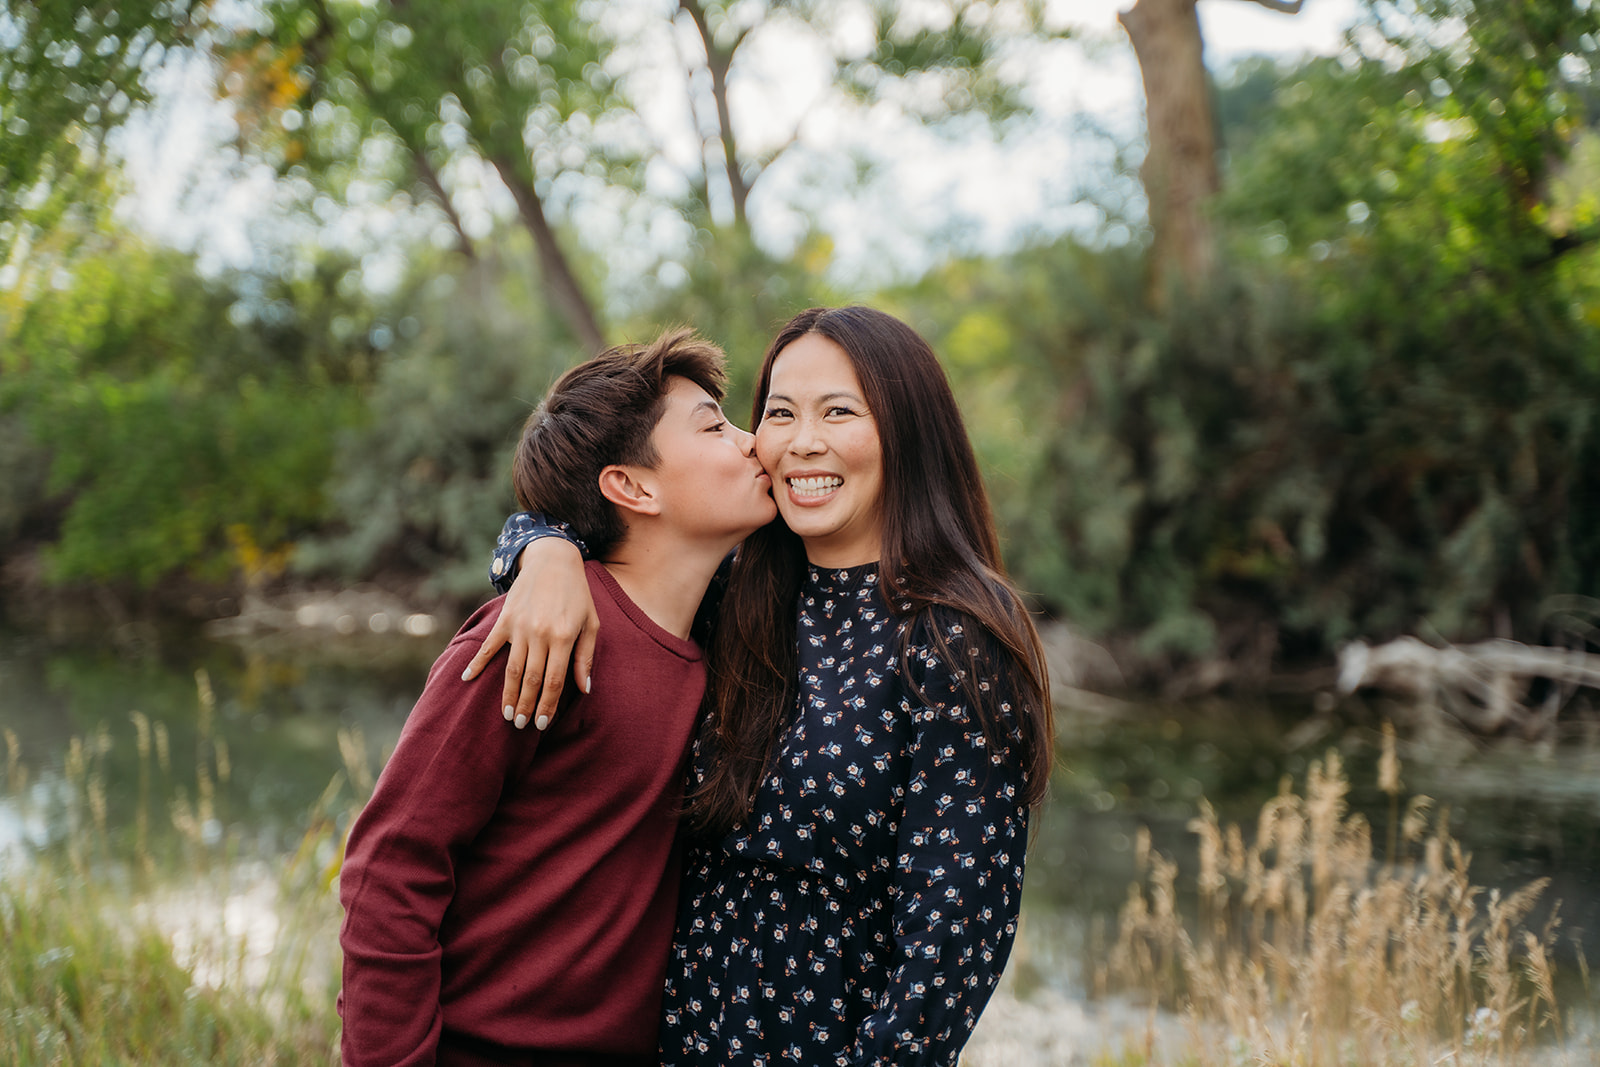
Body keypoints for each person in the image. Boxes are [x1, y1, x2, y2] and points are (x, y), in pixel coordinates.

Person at [467, 306, 1054, 1066]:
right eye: (780, 413)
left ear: (907, 429)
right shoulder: (734, 591)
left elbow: (952, 945)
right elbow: (591, 511)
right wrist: (544, 552)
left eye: (838, 412)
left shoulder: (955, 637)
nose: (802, 441)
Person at [337, 329, 777, 1067]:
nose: (752, 441)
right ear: (633, 487)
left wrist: (542, 543)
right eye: (714, 427)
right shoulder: (540, 634)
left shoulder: (722, 637)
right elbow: (390, 869)